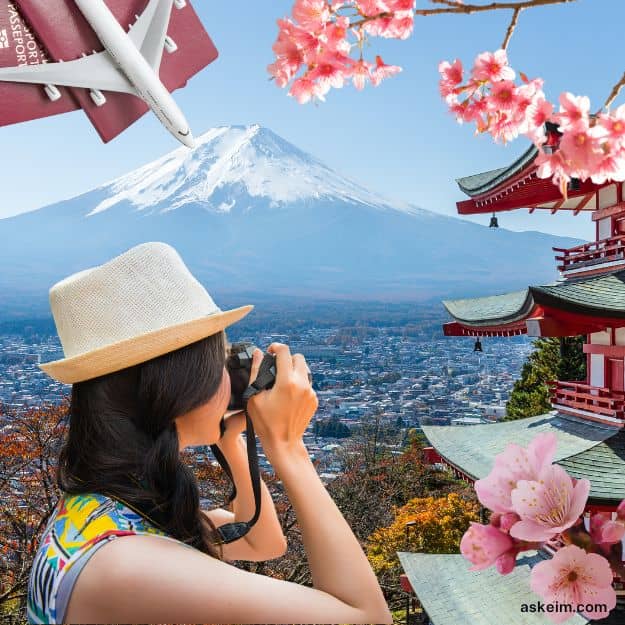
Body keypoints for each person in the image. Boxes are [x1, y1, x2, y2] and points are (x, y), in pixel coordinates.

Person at [26, 241, 392, 624]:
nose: (230, 376)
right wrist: (287, 447)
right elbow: (369, 618)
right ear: (180, 385)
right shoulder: (122, 566)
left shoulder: (101, 510)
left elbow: (260, 541)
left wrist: (229, 441)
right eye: (220, 360)